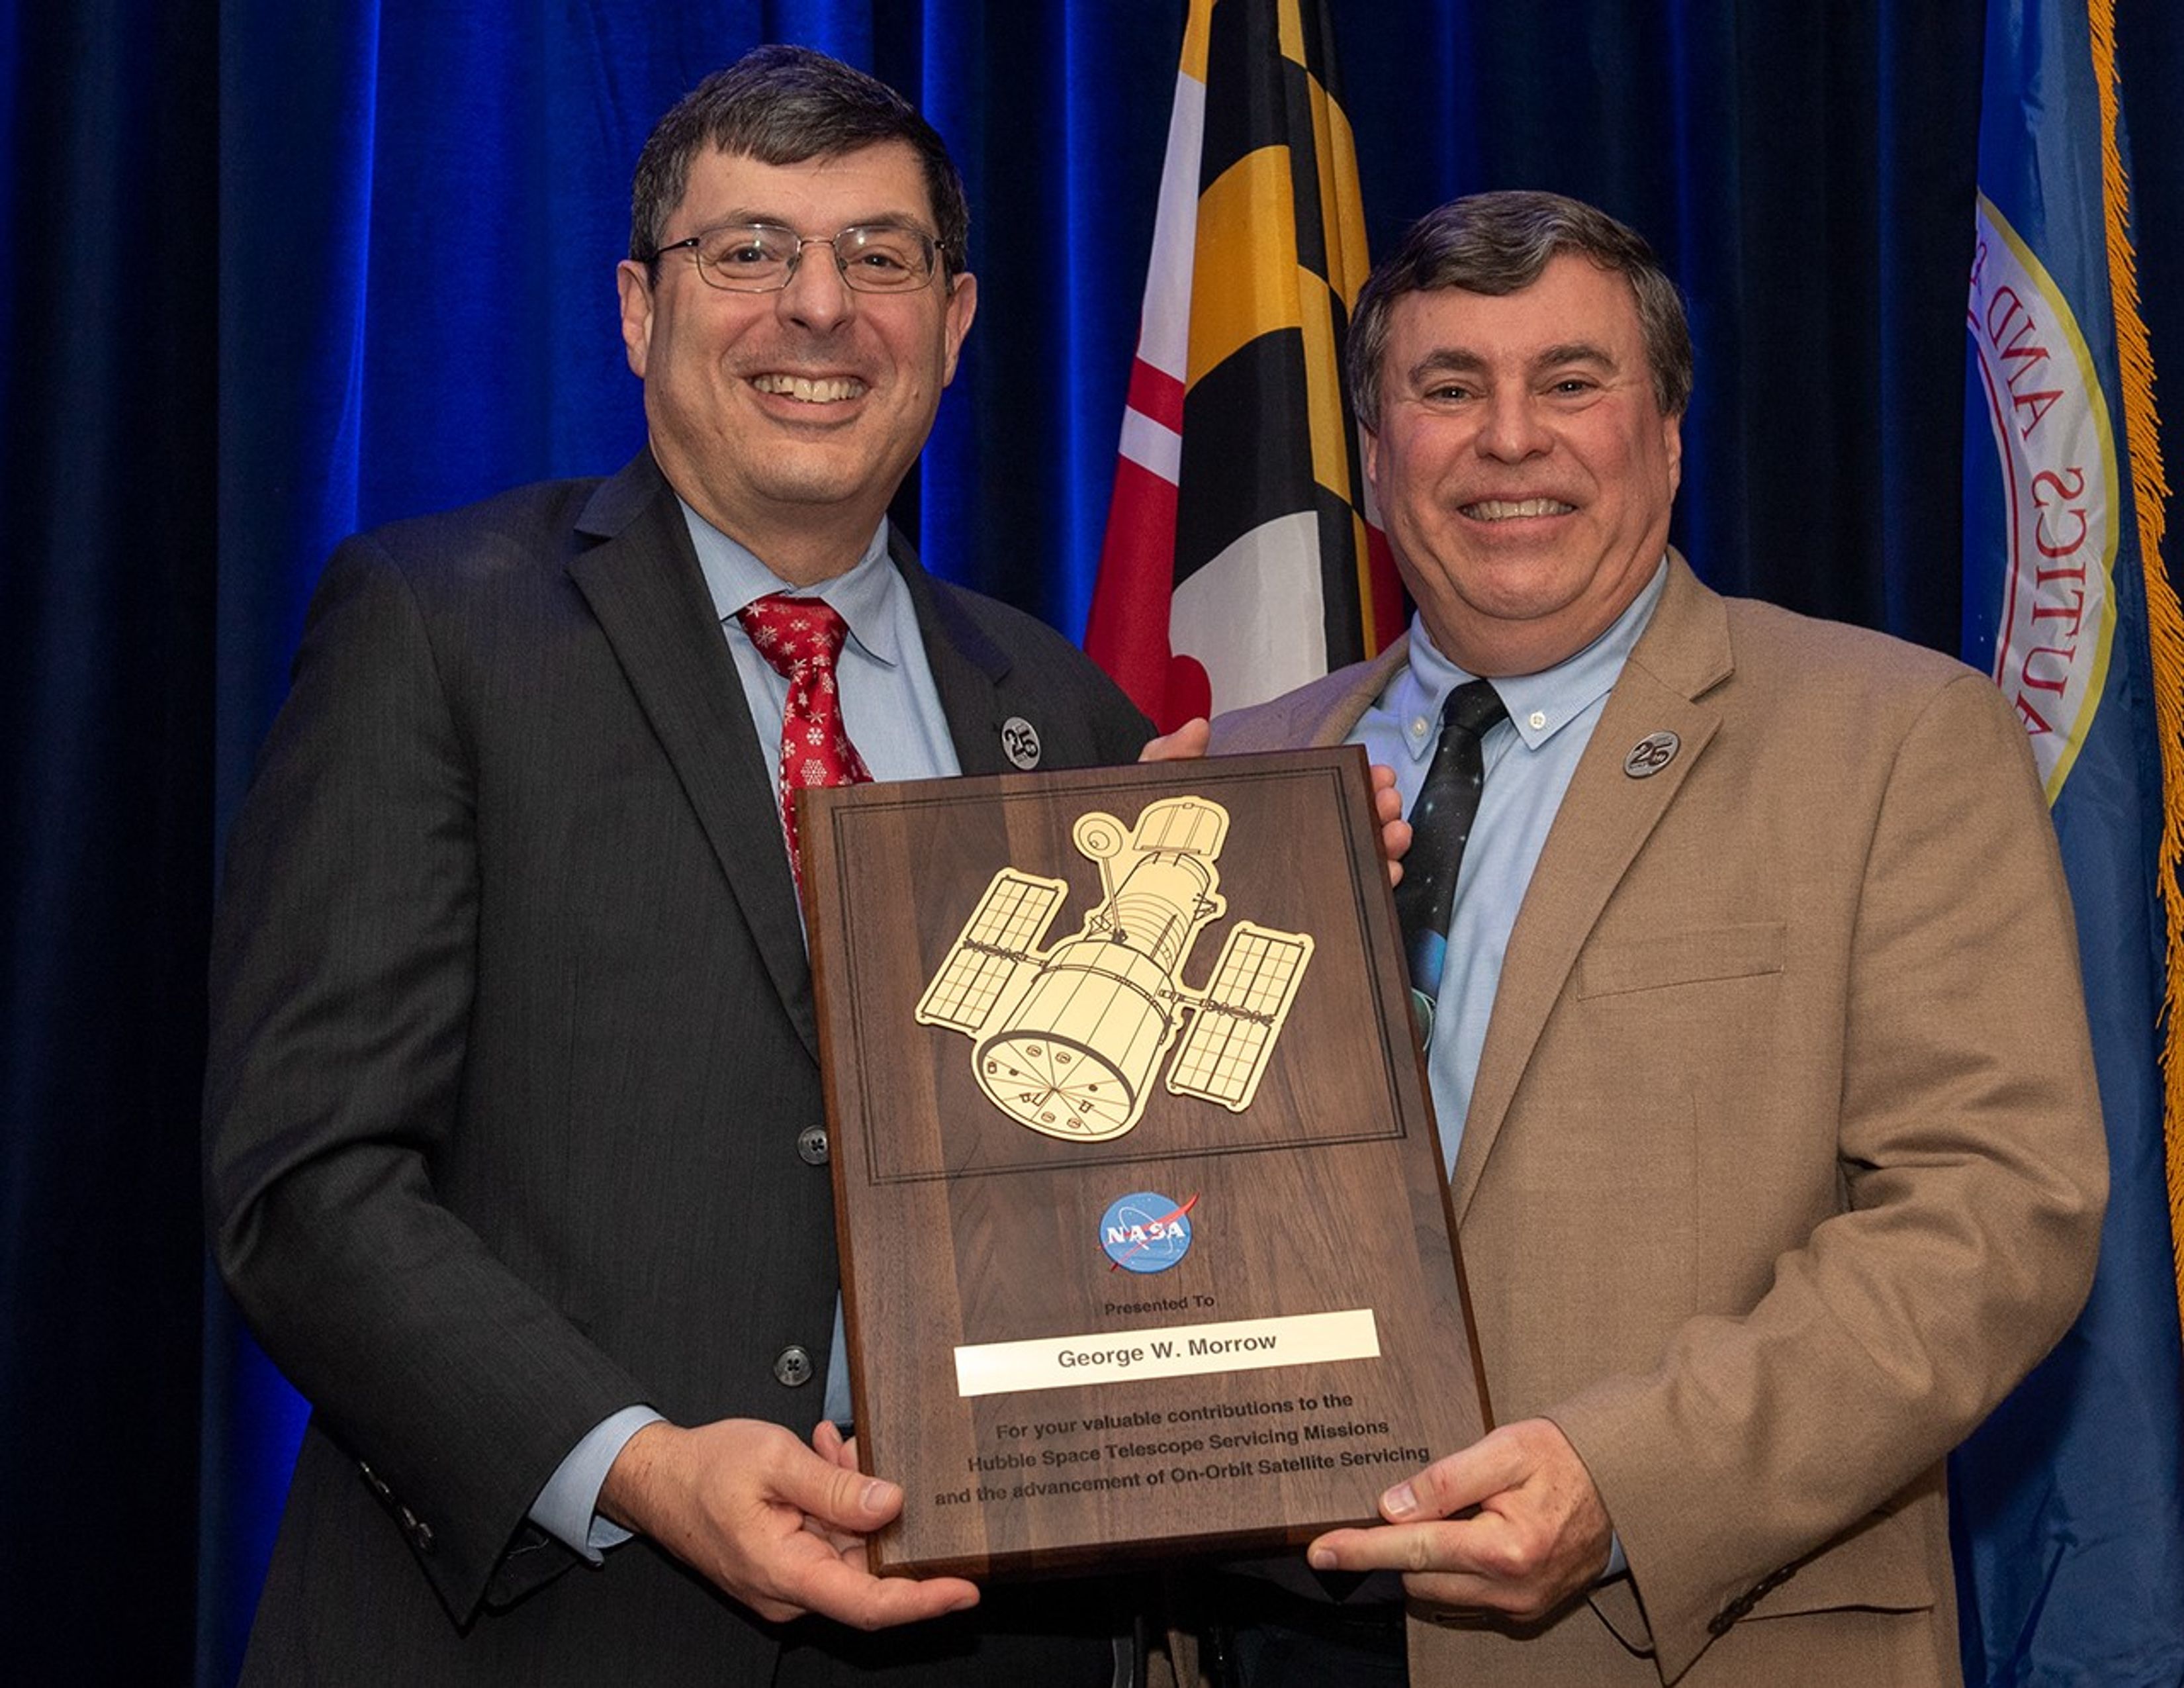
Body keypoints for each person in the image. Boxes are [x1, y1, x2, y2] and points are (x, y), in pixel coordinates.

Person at [205, 44, 1188, 1685]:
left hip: (983, 1640)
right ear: (640, 311)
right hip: (541, 1627)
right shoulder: (437, 629)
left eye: (880, 257)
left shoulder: (1065, 711)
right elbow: (306, 1187)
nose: (818, 308)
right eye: (748, 251)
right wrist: (643, 1467)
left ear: (953, 325)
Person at [1202, 191, 2106, 1684]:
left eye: (1571, 382)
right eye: (1447, 390)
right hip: (1269, 1631)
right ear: (1373, 457)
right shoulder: (1238, 770)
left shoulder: (1891, 741)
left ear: (1669, 438)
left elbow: (1996, 1214)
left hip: (1669, 1635)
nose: (1510, 439)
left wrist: (1628, 1476)